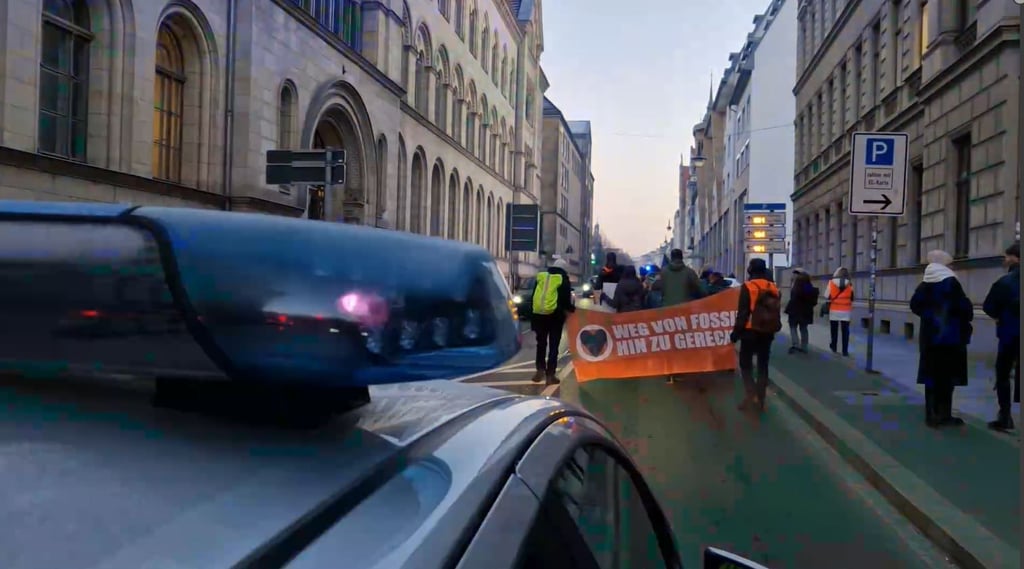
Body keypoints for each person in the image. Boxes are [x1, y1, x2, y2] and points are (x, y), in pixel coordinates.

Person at [910, 250, 974, 428]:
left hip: (930, 337)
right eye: (950, 263)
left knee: (931, 375)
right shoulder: (952, 282)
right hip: (951, 337)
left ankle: (931, 414)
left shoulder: (925, 283)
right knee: (948, 377)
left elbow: (914, 305)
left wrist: (929, 316)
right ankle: (945, 414)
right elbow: (964, 309)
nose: (953, 267)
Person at [730, 258, 782, 411]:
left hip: (750, 331)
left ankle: (750, 394)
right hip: (767, 331)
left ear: (750, 270)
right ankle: (761, 399)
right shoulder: (773, 287)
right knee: (763, 364)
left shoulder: (748, 286)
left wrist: (735, 333)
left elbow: (743, 313)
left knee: (745, 364)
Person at [983, 241, 1020, 431]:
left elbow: (989, 307)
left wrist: (1001, 316)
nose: (1005, 260)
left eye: (1007, 256)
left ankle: (1005, 416)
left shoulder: (1004, 282)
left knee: (1004, 374)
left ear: (1015, 258)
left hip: (1010, 334)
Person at [530, 258, 576, 386]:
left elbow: (534, 296)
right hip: (555, 317)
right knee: (554, 345)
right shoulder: (563, 279)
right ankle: (550, 375)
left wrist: (532, 316)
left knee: (541, 343)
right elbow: (566, 301)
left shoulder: (542, 277)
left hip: (539, 315)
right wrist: (572, 310)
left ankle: (539, 369)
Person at [784, 268, 818, 354]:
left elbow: (793, 299)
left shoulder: (796, 287)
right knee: (803, 328)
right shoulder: (809, 287)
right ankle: (804, 346)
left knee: (793, 327)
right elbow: (813, 301)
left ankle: (795, 344)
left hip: (794, 311)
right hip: (805, 312)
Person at [825, 267, 854, 356]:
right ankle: (845, 351)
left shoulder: (831, 283)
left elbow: (826, 295)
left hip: (834, 309)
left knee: (834, 330)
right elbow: (852, 297)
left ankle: (834, 346)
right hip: (846, 311)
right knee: (845, 332)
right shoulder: (850, 284)